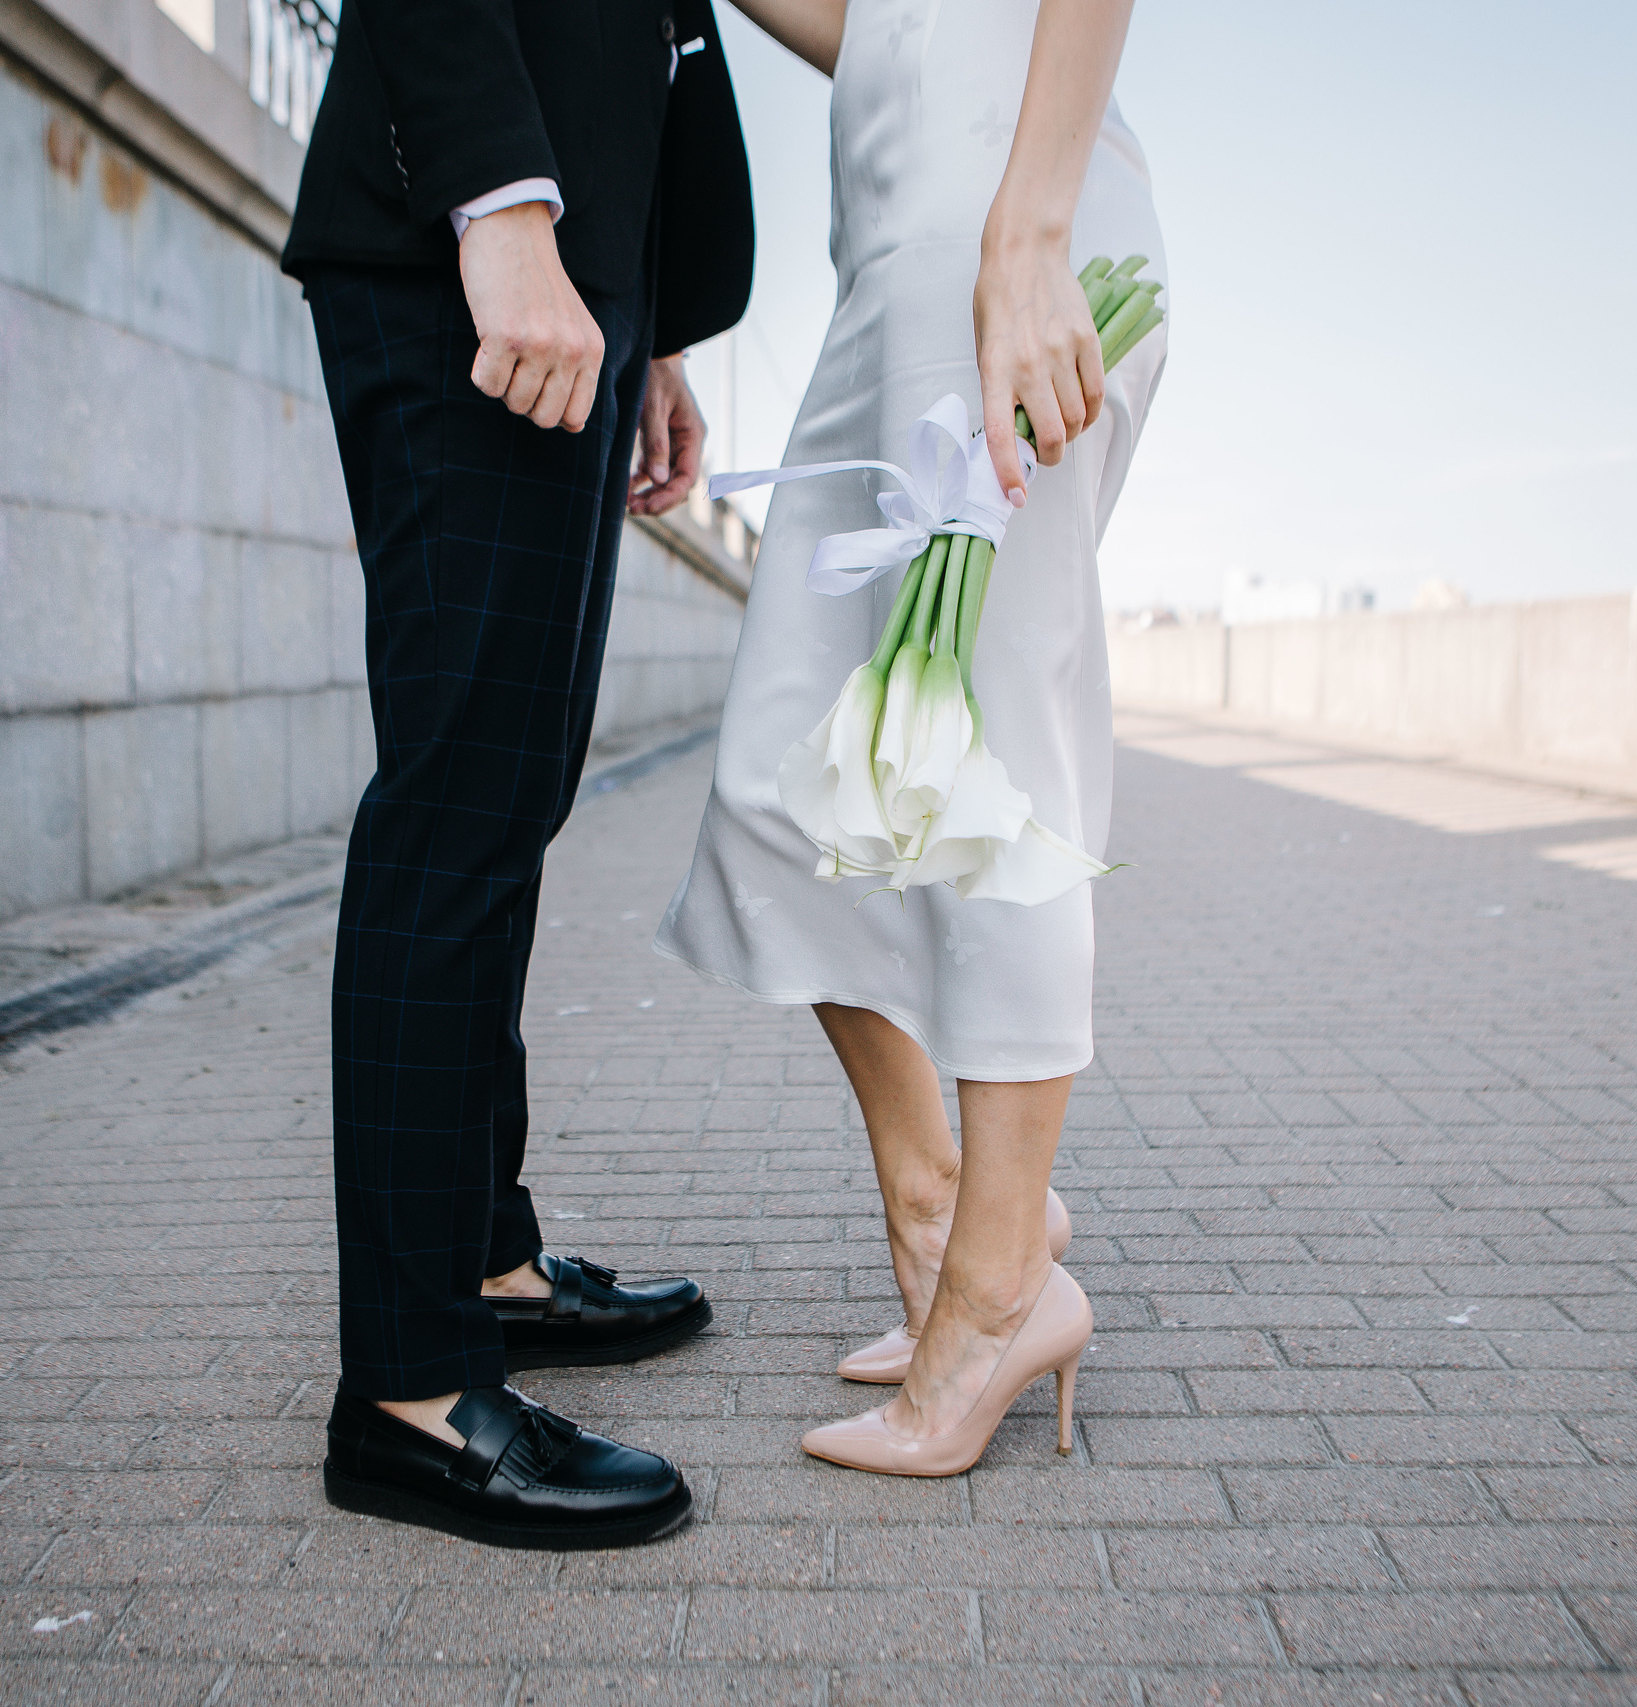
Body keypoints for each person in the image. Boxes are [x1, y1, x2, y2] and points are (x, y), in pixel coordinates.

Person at [658, 0, 1164, 1474]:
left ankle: (996, 1289)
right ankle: (944, 1210)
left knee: (984, 784)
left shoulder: (1016, 233)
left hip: (1000, 233)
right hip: (896, 256)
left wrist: (1030, 234)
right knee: (780, 789)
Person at [279, 1, 753, 1545]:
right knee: (458, 801)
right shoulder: (492, 218)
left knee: (513, 788)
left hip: (573, 255)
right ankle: (414, 1392)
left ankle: (482, 1257)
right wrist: (499, 200)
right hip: (472, 238)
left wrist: (659, 328)